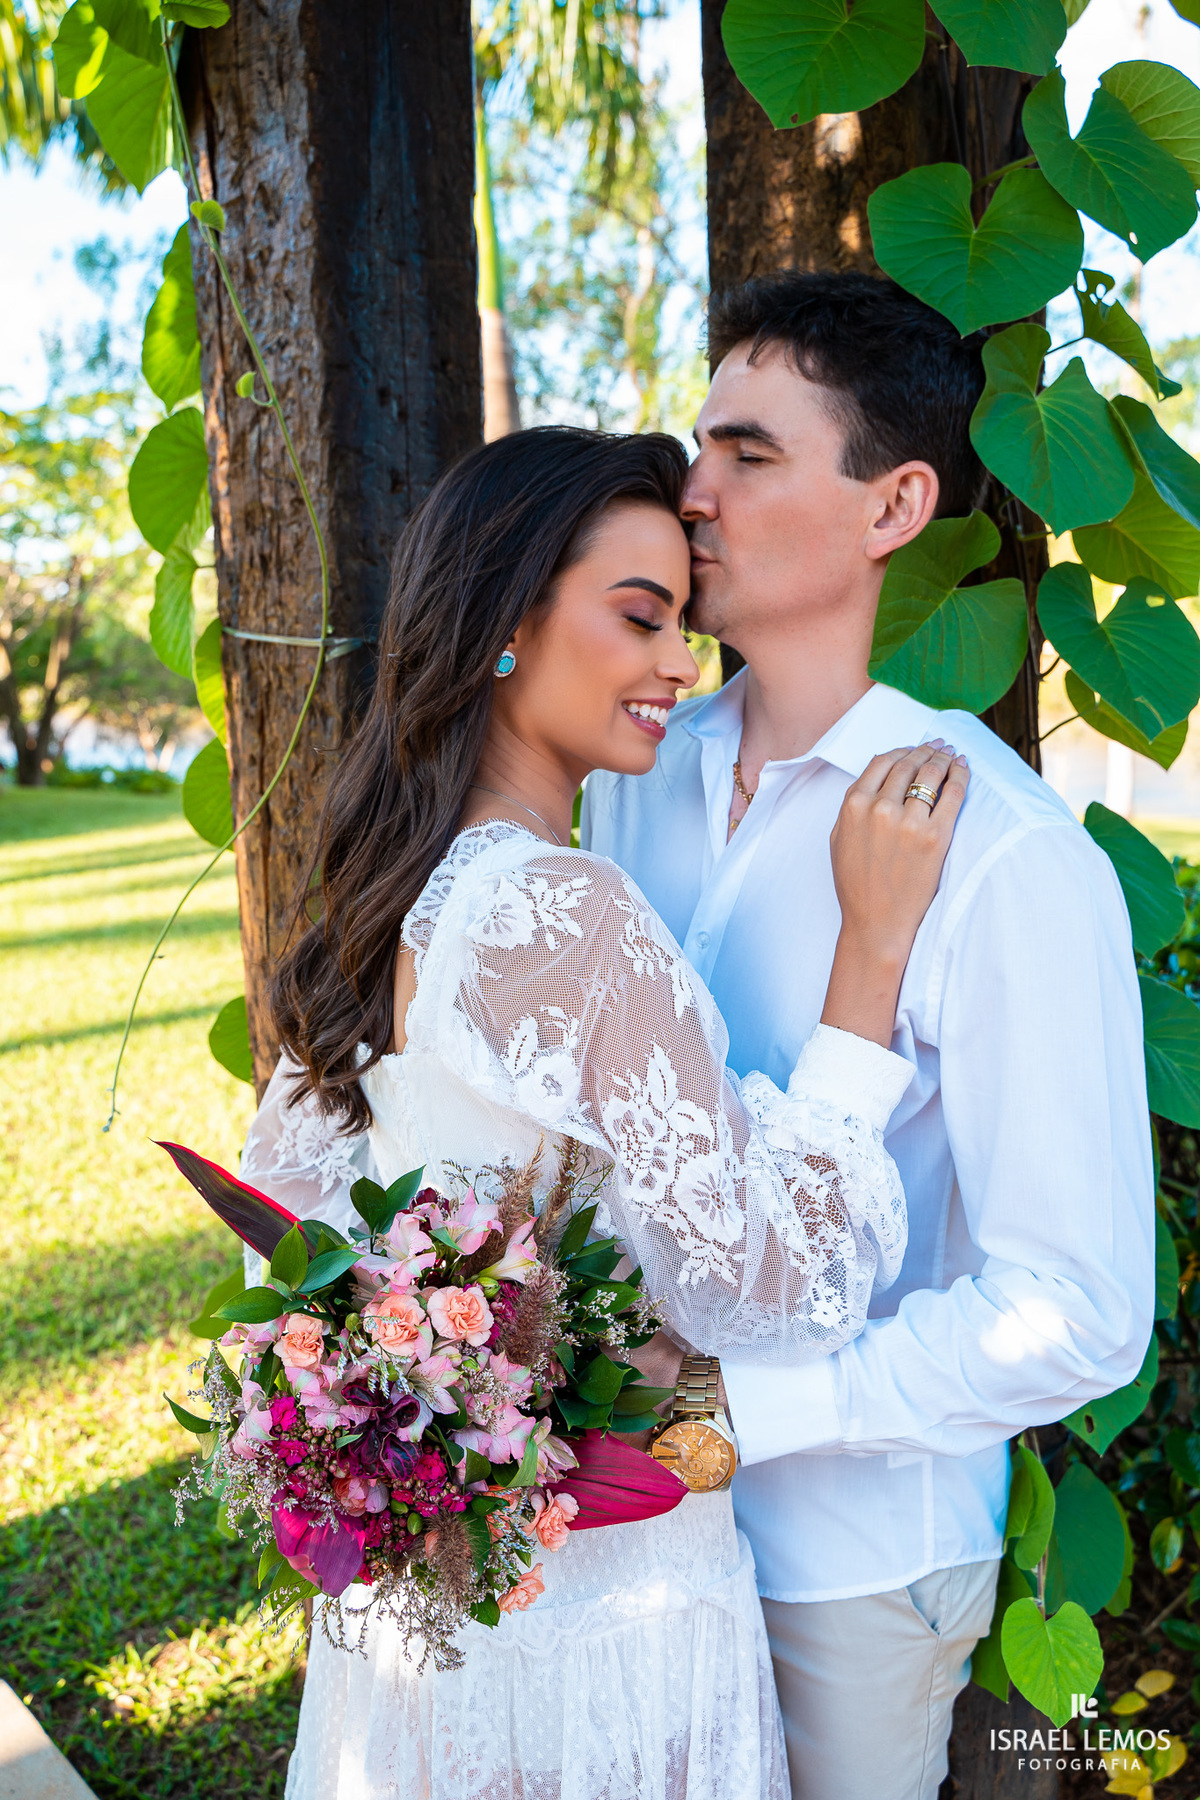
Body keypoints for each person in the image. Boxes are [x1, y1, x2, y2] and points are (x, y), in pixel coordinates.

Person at [240, 424, 969, 1800]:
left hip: (428, 1617)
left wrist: (443, 1380)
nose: (682, 665)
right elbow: (765, 1288)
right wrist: (869, 963)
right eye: (641, 617)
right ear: (505, 623)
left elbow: (284, 1235)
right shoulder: (562, 914)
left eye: (683, 623)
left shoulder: (381, 899)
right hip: (604, 1613)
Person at [581, 270, 1156, 1800]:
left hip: (845, 1568)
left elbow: (1083, 1308)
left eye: (750, 455)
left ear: (894, 506)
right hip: (616, 1529)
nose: (691, 496)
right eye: (698, 447)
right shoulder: (633, 773)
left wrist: (736, 1416)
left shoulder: (1003, 853)